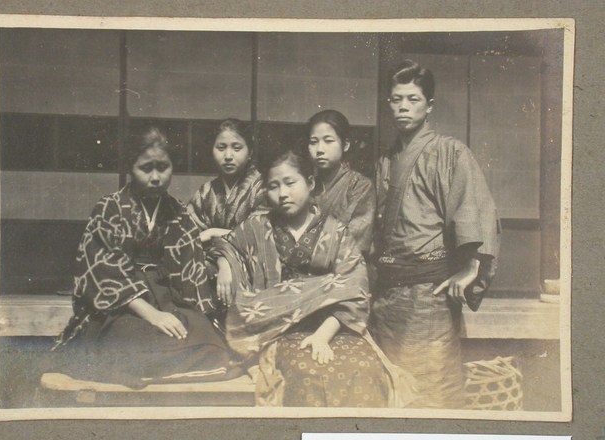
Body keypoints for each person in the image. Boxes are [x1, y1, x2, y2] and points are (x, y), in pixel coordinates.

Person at [211, 151, 415, 408]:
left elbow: (355, 286)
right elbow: (227, 245)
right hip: (279, 329)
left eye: (290, 183)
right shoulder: (256, 227)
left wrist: (322, 336)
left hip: (337, 325)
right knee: (307, 372)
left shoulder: (335, 231)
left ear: (310, 183)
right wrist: (224, 263)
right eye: (273, 186)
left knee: (366, 369)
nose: (282, 193)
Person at [52, 126, 239, 388]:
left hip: (167, 299)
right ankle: (157, 367)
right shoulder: (109, 208)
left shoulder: (178, 213)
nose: (155, 178)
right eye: (146, 168)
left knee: (211, 344)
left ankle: (149, 368)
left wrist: (191, 315)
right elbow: (102, 271)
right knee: (125, 342)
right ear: (130, 168)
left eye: (162, 167)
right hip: (121, 307)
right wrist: (152, 315)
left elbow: (190, 270)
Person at [371, 59, 500, 409]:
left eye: (412, 99)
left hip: (429, 296)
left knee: (432, 391)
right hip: (388, 296)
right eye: (396, 99)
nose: (403, 107)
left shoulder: (449, 152)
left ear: (429, 106)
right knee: (390, 389)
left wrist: (470, 266)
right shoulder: (386, 160)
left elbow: (475, 207)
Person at [307, 109, 375, 257]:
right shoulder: (306, 186)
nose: (319, 149)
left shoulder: (360, 185)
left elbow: (356, 240)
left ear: (345, 145)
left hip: (345, 265)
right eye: (313, 142)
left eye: (328, 141)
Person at [187, 118, 265, 244]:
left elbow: (259, 234)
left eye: (236, 148)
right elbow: (188, 235)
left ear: (250, 153)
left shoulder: (262, 188)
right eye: (221, 148)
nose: (228, 156)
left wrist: (212, 233)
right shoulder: (204, 193)